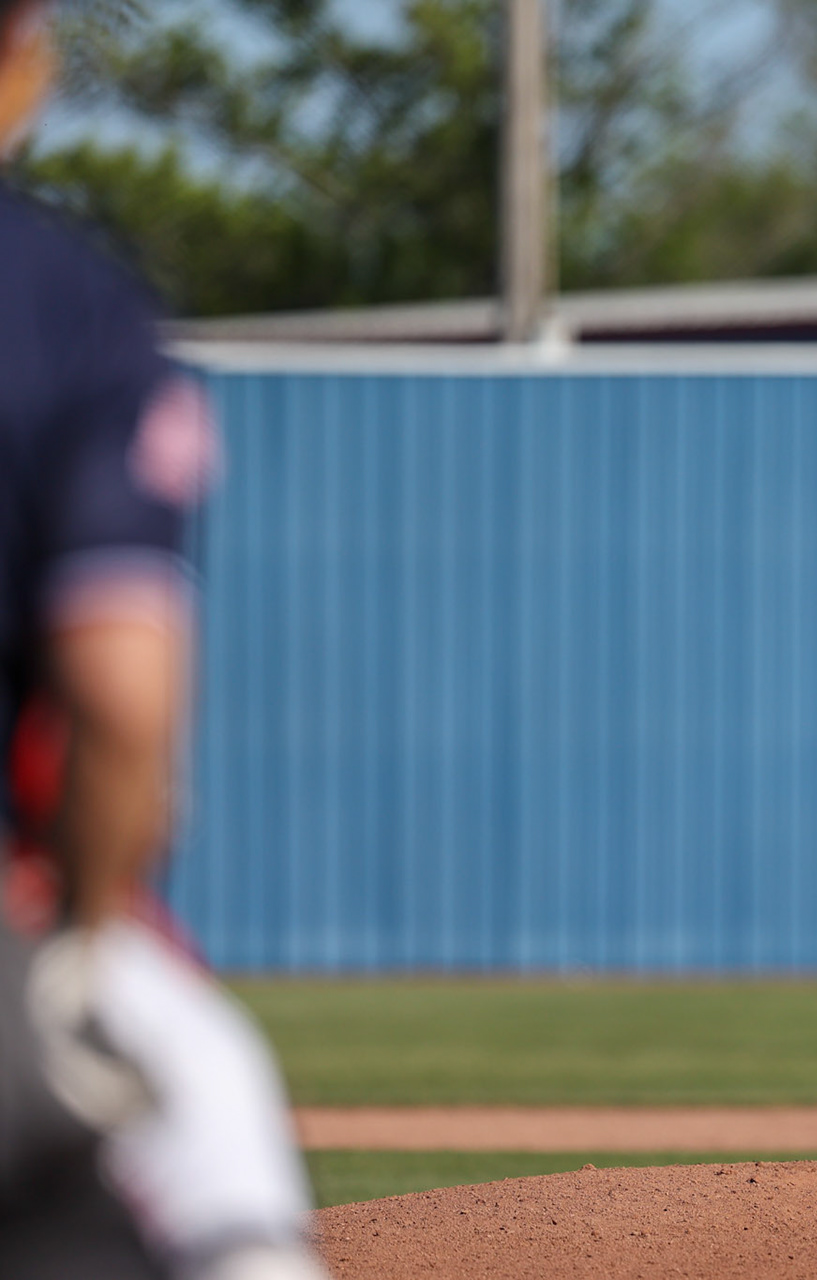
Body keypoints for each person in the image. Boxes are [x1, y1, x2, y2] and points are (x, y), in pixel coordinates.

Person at [0, 4, 326, 1276]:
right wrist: (81, 934)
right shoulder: (68, 306)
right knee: (206, 1113)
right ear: (27, 56)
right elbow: (121, 699)